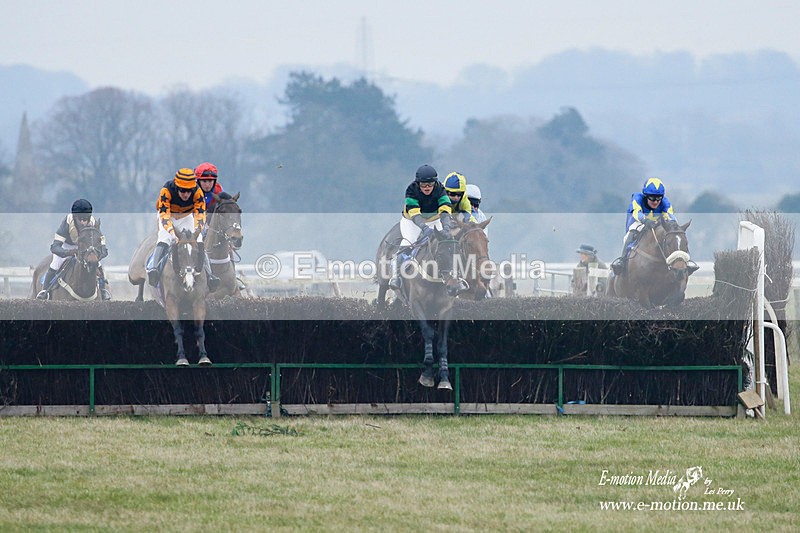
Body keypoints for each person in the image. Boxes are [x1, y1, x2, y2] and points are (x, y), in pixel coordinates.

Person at [388, 164, 466, 291]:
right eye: (424, 185)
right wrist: (424, 228)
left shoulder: (440, 189)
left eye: (430, 184)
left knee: (448, 243)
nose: (427, 188)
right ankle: (396, 276)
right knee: (408, 242)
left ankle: (457, 277)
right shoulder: (411, 190)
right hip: (412, 220)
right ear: (418, 183)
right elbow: (414, 213)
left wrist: (446, 227)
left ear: (435, 183)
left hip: (434, 219)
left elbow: (445, 210)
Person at [146, 168, 219, 290]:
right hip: (168, 215)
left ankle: (210, 275)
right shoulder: (166, 191)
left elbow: (200, 214)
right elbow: (164, 215)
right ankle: (154, 270)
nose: (186, 194)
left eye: (189, 191)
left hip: (186, 216)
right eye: (183, 191)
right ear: (177, 188)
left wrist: (197, 231)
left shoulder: (197, 192)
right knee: (164, 239)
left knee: (199, 240)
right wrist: (172, 233)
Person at [36, 198, 112, 300]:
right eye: (80, 219)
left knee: (98, 265)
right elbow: (54, 247)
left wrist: (99, 253)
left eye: (86, 219)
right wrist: (68, 252)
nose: (83, 222)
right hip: (66, 246)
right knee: (55, 264)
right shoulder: (67, 222)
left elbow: (102, 245)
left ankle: (103, 291)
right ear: (74, 217)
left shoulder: (93, 223)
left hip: (85, 247)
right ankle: (45, 292)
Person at [610, 177, 678, 275]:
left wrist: (673, 223)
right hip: (638, 222)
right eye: (652, 198)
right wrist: (645, 220)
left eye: (659, 198)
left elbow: (670, 215)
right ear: (645, 196)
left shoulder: (665, 202)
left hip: (656, 223)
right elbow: (636, 213)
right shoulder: (637, 198)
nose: (655, 202)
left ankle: (680, 260)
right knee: (633, 231)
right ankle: (622, 260)